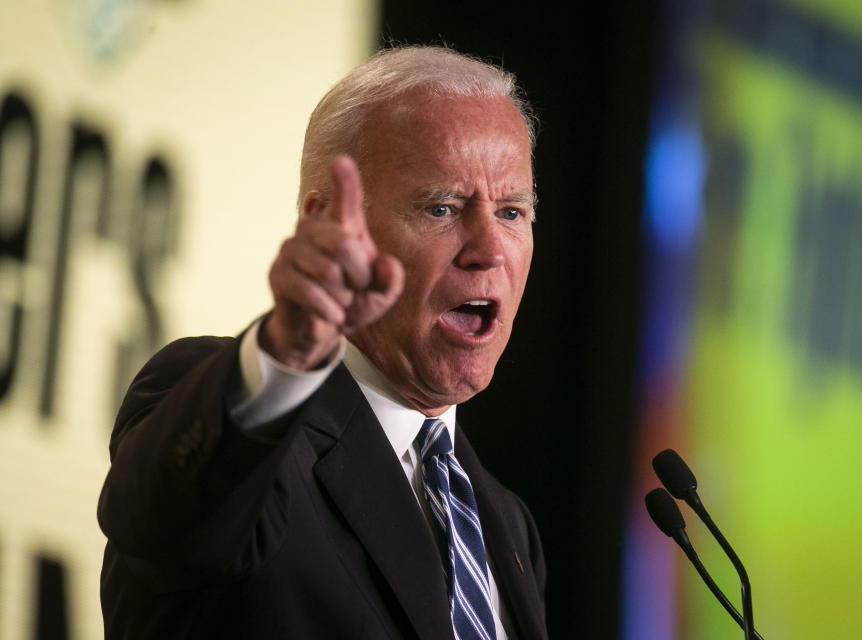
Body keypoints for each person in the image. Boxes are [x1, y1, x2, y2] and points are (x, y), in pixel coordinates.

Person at [97, 46, 548, 640]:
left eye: (513, 212)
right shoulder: (243, 426)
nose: (489, 249)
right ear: (327, 220)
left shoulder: (505, 526)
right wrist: (283, 352)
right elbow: (166, 524)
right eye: (442, 207)